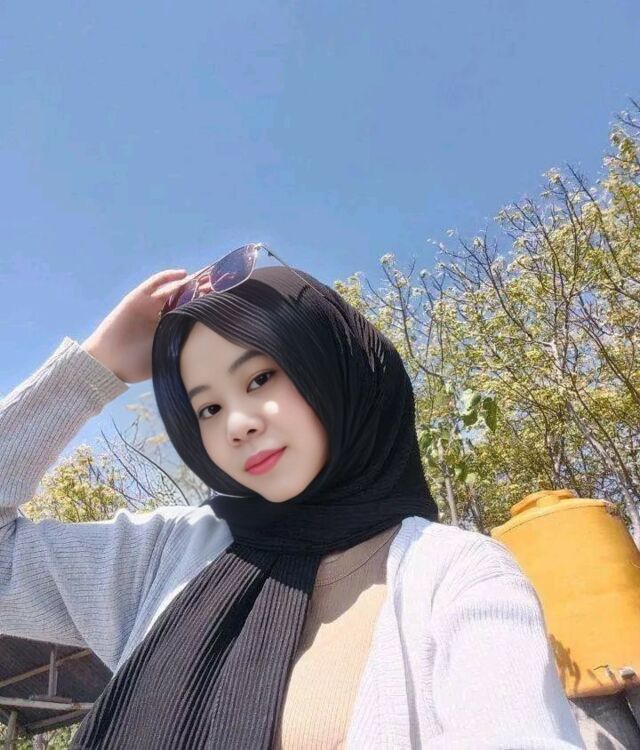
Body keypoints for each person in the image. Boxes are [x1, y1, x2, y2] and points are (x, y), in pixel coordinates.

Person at [0, 245, 586, 749]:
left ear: (336, 368)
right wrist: (93, 370)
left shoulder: (454, 576)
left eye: (260, 378)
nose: (238, 424)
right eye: (209, 407)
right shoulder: (167, 555)